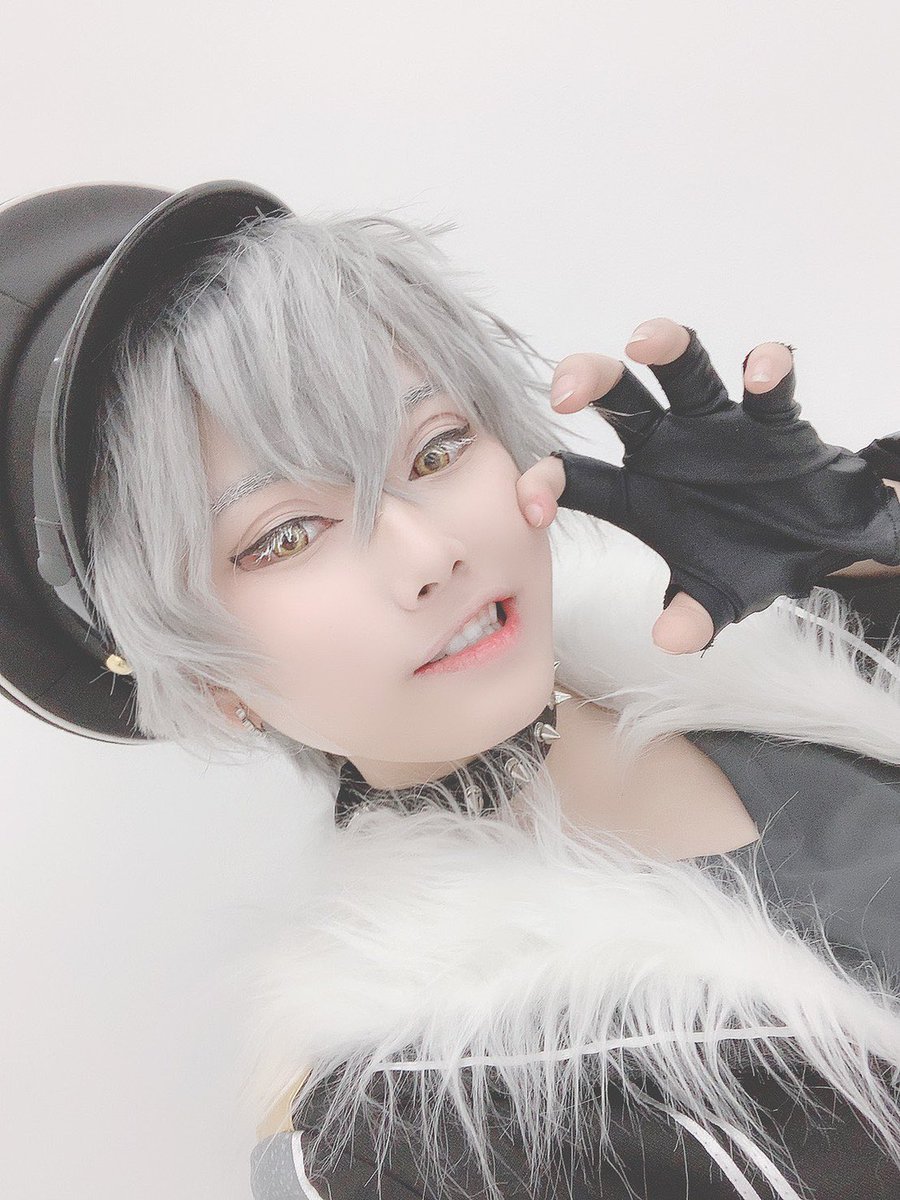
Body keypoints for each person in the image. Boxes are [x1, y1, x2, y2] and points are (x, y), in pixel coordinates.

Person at [2, 181, 900, 1200]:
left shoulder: (825, 649)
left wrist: (869, 538)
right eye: (286, 536)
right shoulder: (409, 1141)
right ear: (206, 679)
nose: (429, 554)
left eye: (436, 449)